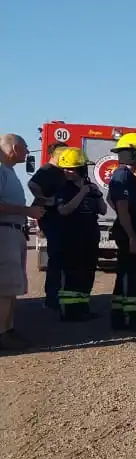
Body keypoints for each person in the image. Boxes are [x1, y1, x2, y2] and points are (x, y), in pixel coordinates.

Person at [50, 147, 106, 321]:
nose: (68, 172)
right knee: (72, 274)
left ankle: (83, 308)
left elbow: (103, 210)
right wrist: (82, 193)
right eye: (65, 169)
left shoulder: (91, 187)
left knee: (88, 273)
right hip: (72, 238)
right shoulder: (62, 188)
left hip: (90, 236)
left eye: (71, 169)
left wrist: (96, 195)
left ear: (81, 169)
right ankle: (69, 311)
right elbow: (64, 210)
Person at [0, 134, 46, 349]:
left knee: (12, 287)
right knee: (4, 287)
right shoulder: (0, 172)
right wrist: (27, 210)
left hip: (15, 232)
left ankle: (8, 329)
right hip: (4, 232)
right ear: (14, 148)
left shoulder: (9, 172)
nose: (28, 152)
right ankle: (2, 333)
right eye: (25, 148)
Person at [106, 132, 136, 331]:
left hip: (131, 234)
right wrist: (132, 237)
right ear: (133, 154)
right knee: (132, 277)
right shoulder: (123, 175)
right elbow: (122, 208)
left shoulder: (125, 176)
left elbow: (112, 200)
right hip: (130, 236)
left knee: (127, 275)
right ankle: (134, 320)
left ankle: (121, 317)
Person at [28, 142, 68, 310]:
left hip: (60, 219)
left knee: (62, 259)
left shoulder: (60, 172)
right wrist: (45, 199)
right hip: (51, 219)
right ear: (55, 153)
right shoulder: (47, 170)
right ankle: (52, 298)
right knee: (56, 258)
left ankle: (60, 295)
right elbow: (32, 184)